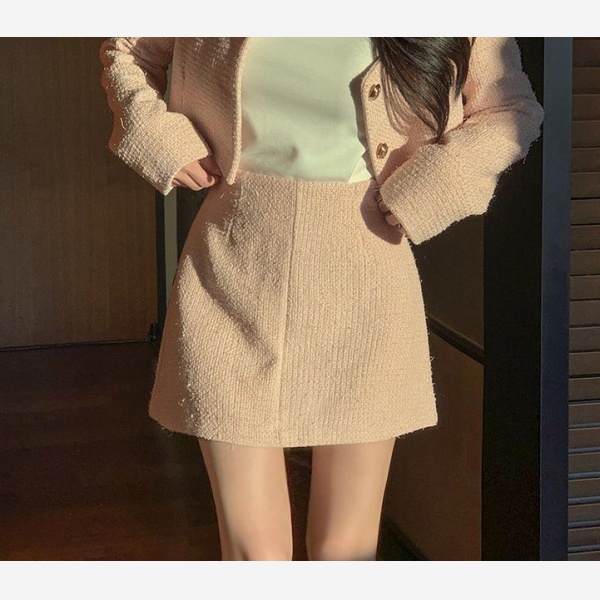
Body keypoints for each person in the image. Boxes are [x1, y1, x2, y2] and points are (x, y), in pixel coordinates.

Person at [98, 37, 544, 561]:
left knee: (344, 552)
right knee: (254, 555)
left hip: (366, 277)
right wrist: (156, 136)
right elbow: (127, 48)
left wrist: (435, 183)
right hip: (229, 268)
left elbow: (510, 109)